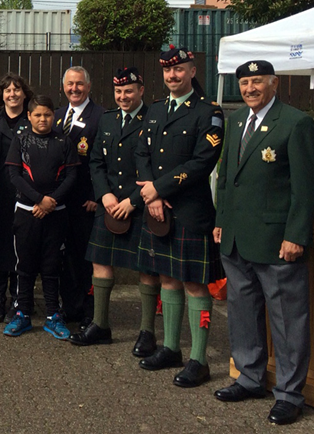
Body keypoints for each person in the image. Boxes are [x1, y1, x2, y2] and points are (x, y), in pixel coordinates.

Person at [212, 60, 314, 426]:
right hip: (237, 238)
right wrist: (221, 221)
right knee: (242, 314)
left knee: (287, 319)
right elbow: (227, 178)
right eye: (244, 83)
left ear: (274, 83)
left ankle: (290, 394)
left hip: (277, 241)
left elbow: (306, 188)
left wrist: (296, 235)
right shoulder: (236, 120)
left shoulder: (295, 122)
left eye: (257, 82)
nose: (250, 89)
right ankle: (249, 377)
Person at [135, 47, 224, 388]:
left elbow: (203, 162)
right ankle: (171, 348)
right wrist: (150, 193)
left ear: (191, 71)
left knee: (194, 283)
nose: (172, 76)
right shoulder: (156, 110)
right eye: (167, 72)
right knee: (167, 278)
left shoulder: (208, 112)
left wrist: (159, 190)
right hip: (157, 209)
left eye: (179, 70)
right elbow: (142, 152)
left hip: (189, 211)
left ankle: (199, 360)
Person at [70, 67, 160, 355]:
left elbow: (156, 166)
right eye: (119, 92)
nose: (123, 97)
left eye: (129, 91)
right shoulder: (108, 120)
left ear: (141, 90)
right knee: (100, 261)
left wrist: (132, 201)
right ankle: (100, 325)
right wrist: (104, 194)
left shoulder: (153, 119)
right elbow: (95, 162)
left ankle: (147, 332)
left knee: (147, 268)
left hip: (140, 205)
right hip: (108, 203)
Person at [2, 95, 79, 339]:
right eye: (37, 115)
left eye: (47, 114)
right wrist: (38, 200)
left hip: (56, 213)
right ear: (29, 116)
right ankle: (22, 312)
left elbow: (71, 177)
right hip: (26, 213)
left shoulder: (63, 142)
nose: (43, 119)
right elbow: (14, 175)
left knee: (51, 266)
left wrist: (50, 202)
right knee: (24, 266)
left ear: (53, 116)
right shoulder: (21, 140)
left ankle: (53, 315)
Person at [54, 66, 104, 327]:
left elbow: (104, 161)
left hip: (86, 201)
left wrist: (98, 195)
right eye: (70, 84)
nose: (74, 89)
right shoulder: (57, 116)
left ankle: (88, 310)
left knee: (83, 258)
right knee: (63, 257)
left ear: (89, 86)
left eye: (79, 84)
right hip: (60, 200)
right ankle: (68, 307)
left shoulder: (101, 116)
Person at [0, 72, 33, 323]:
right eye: (7, 90)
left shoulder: (33, 120)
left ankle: (17, 300)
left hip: (24, 194)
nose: (12, 94)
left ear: (25, 94)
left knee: (20, 249)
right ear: (1, 95)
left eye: (17, 89)